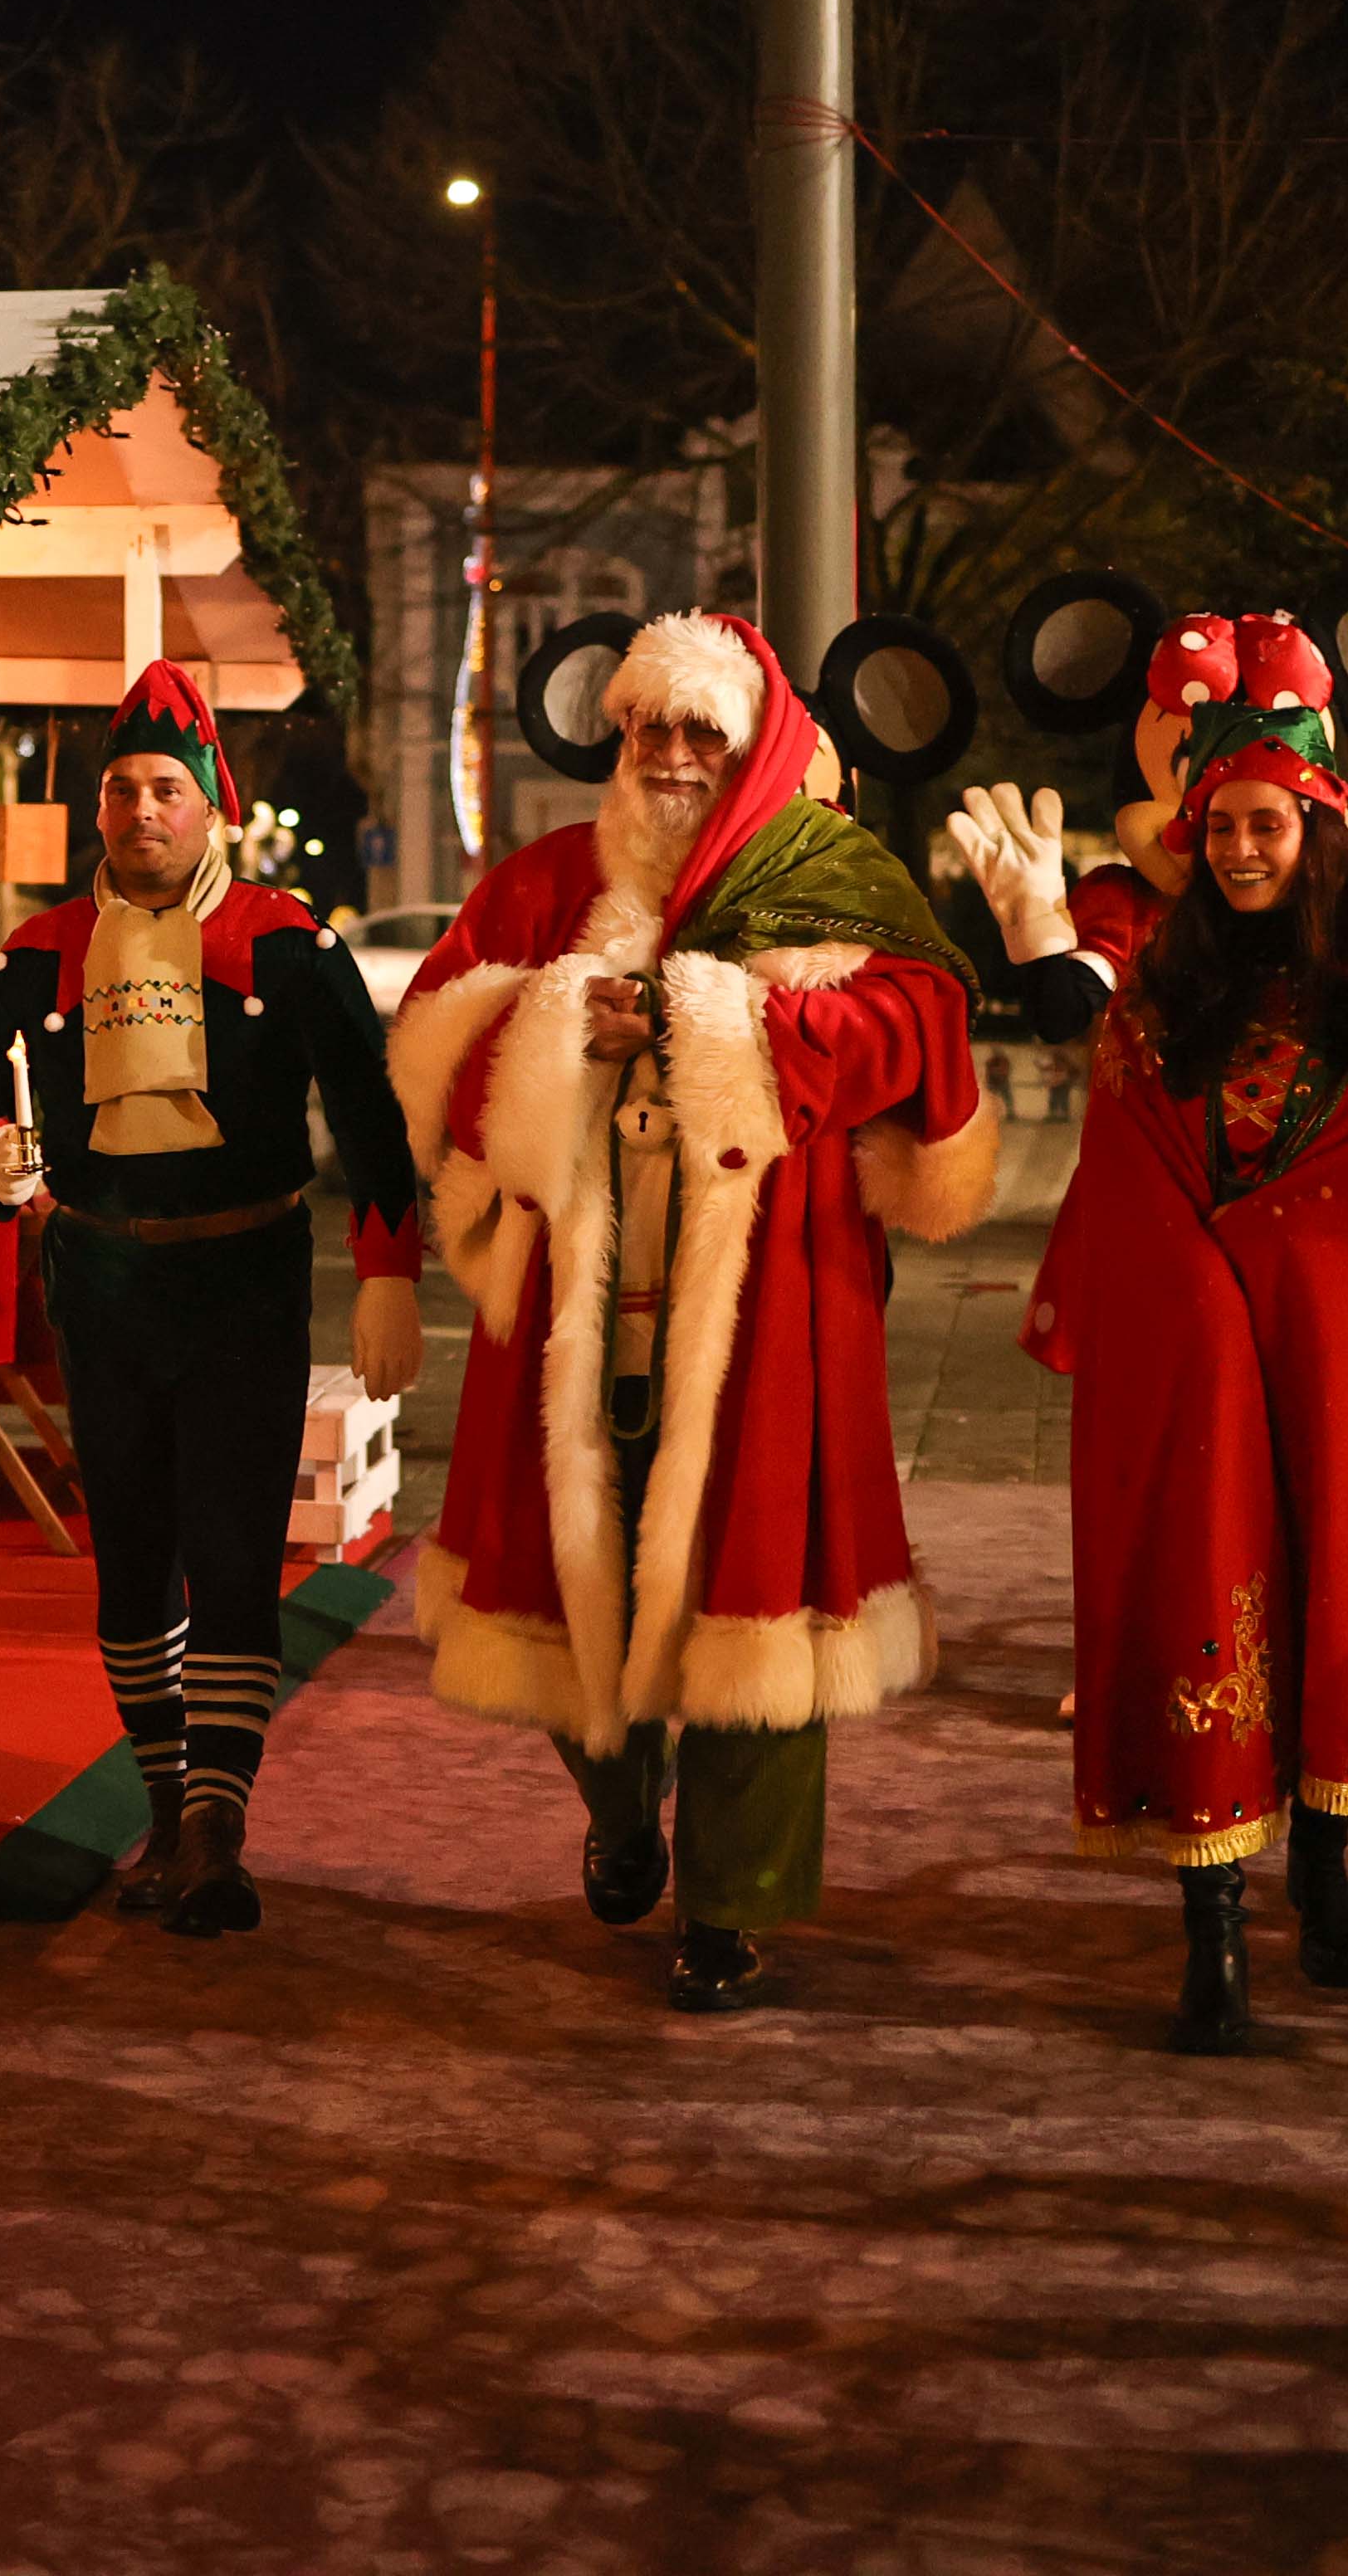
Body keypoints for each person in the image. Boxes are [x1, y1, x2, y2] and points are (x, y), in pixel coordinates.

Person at [385, 612, 994, 2013]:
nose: (668, 753)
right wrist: (554, 1019)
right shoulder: (549, 880)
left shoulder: (831, 876)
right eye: (646, 725)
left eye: (699, 730)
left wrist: (688, 1015)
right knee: (557, 1576)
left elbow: (920, 1029)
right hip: (577, 1304)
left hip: (768, 1305)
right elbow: (433, 1033)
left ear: (753, 745)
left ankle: (727, 1907)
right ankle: (619, 1802)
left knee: (754, 1594)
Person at [945, 608, 1348, 2056]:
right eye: (1223, 825)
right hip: (1197, 1360)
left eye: (1267, 823)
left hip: (1332, 1349)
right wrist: (1034, 940)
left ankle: (1324, 1866)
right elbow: (1111, 1100)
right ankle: (1213, 1930)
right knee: (1204, 1598)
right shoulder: (1159, 977)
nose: (1242, 849)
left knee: (1333, 1583)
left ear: (1312, 830)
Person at [0, 659, 423, 1933]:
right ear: (97, 808)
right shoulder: (37, 953)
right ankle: (166, 1807)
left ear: (213, 806)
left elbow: (371, 1120)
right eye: (123, 790)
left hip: (245, 1278)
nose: (143, 810)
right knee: (131, 1563)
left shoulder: (289, 941)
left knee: (233, 1553)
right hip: (101, 1281)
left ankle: (217, 1827)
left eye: (167, 788)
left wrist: (390, 1276)